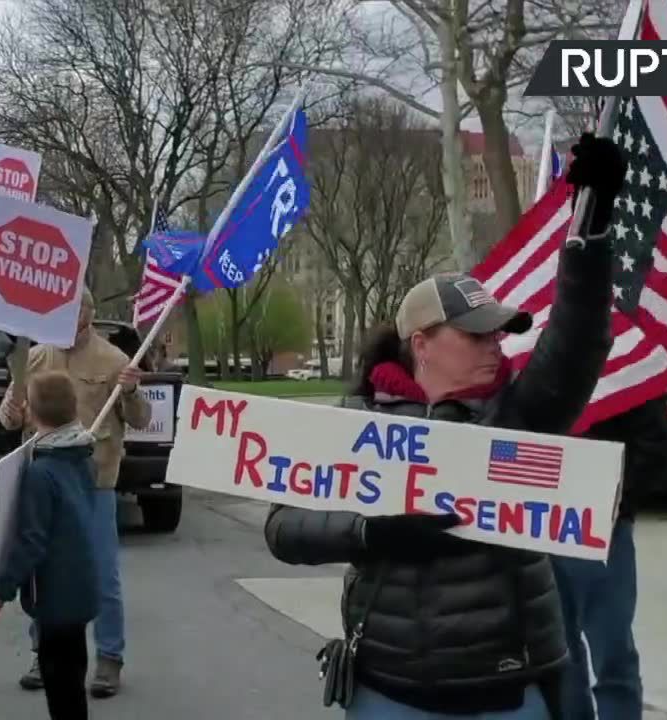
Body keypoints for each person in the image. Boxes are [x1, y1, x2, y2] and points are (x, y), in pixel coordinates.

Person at [262, 133, 628, 720]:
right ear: (422, 344)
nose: (495, 346)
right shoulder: (359, 423)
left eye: (498, 332)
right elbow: (282, 530)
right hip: (388, 692)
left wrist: (593, 229)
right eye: (476, 333)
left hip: (507, 694)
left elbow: (577, 345)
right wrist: (371, 532)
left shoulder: (517, 416)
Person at [0, 287, 151, 698]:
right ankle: (42, 651)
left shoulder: (115, 360)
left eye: (76, 308)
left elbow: (139, 419)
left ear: (89, 312)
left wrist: (134, 391)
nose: (69, 316)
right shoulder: (34, 358)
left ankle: (108, 658)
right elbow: (9, 418)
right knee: (44, 574)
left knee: (101, 573)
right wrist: (11, 411)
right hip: (44, 481)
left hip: (94, 484)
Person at [0, 370, 100, 720]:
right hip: (80, 585)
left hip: (55, 594)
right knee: (73, 676)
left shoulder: (41, 472)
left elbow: (31, 541)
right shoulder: (81, 456)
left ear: (32, 411)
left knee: (59, 683)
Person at [551, 396, 667, 720]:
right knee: (560, 652)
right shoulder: (529, 355)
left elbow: (655, 441)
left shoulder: (624, 360)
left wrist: (618, 499)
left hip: (603, 529)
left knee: (612, 651)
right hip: (540, 526)